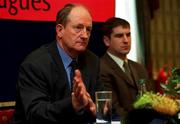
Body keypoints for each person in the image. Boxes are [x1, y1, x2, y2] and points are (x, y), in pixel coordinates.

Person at [10, 3, 103, 124]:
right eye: (78, 28)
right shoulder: (35, 64)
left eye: (88, 30)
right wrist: (72, 104)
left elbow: (102, 102)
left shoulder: (93, 61)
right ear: (60, 30)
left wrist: (98, 110)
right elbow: (36, 113)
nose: (85, 35)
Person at [100, 17, 155, 119]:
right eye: (119, 36)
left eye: (128, 35)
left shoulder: (139, 68)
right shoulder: (101, 68)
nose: (126, 40)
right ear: (107, 41)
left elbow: (152, 101)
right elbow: (113, 109)